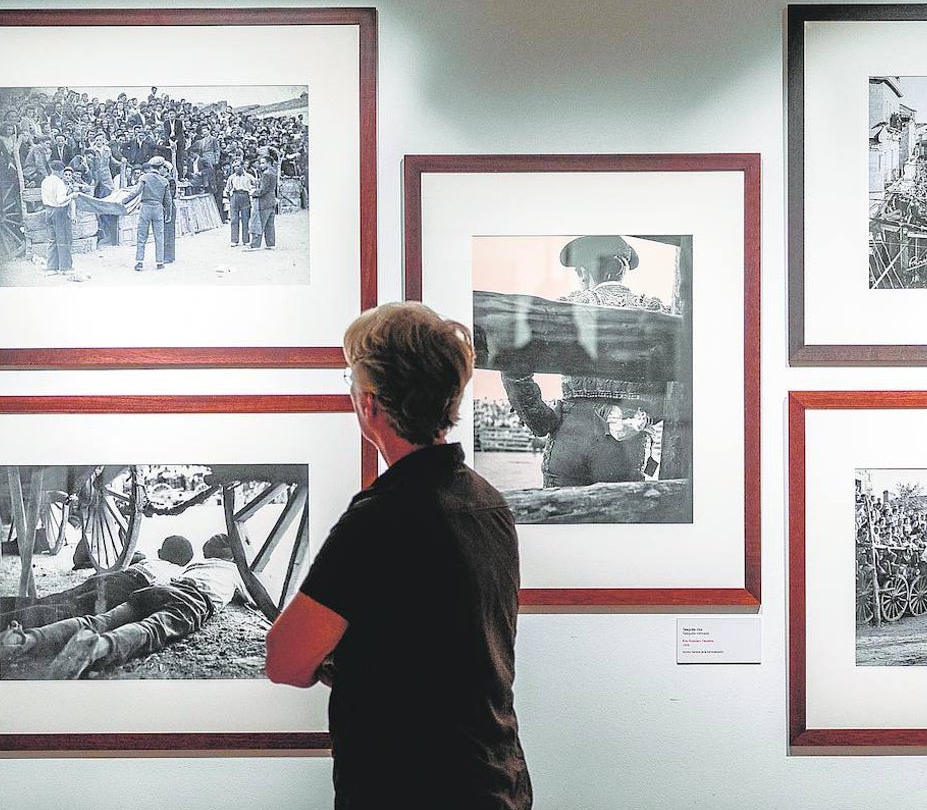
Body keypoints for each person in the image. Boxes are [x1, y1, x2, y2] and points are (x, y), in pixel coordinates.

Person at [266, 302, 532, 810]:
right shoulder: (486, 502)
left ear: (369, 403)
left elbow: (285, 659)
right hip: (495, 781)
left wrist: (338, 659)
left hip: (409, 787)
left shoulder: (381, 517)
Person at [500, 235, 675, 487]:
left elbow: (513, 360)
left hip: (570, 433)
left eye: (580, 271)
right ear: (621, 270)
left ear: (584, 271)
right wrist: (645, 415)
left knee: (558, 517)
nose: (580, 278)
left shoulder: (566, 306)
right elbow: (675, 380)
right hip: (626, 443)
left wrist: (541, 419)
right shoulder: (655, 310)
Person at [0, 534, 249, 680]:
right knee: (151, 630)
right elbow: (253, 597)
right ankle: (98, 647)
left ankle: (26, 639)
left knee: (97, 621)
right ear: (235, 556)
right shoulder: (238, 572)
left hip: (156, 589)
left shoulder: (194, 567)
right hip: (193, 600)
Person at [0, 535, 193, 629]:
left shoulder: (149, 560)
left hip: (110, 577)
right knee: (62, 612)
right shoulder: (176, 574)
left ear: (160, 553)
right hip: (127, 588)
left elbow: (129, 557)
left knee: (51, 600)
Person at [133, 155, 171, 271]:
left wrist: (123, 201)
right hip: (158, 208)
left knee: (141, 235)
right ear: (160, 167)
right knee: (159, 236)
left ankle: (139, 262)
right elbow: (168, 200)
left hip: (146, 207)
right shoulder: (164, 180)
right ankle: (159, 262)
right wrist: (168, 214)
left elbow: (136, 192)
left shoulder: (144, 177)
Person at [40, 160, 78, 274]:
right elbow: (60, 200)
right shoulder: (59, 183)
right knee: (63, 239)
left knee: (52, 240)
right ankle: (65, 268)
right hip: (59, 211)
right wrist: (72, 195)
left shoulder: (45, 181)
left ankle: (52, 267)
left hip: (48, 210)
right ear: (60, 171)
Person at [248, 153, 278, 250]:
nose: (261, 165)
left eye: (263, 163)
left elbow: (263, 190)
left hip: (264, 202)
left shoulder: (266, 174)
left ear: (269, 163)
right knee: (270, 225)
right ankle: (271, 244)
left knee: (259, 222)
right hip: (271, 201)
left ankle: (255, 245)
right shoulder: (274, 172)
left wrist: (253, 192)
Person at [224, 160, 255, 247]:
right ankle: (234, 240)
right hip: (235, 195)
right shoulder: (231, 177)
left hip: (245, 196)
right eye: (234, 167)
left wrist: (251, 196)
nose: (236, 168)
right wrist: (230, 199)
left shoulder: (249, 177)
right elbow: (227, 189)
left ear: (242, 166)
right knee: (234, 219)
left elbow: (255, 186)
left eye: (238, 166)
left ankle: (246, 240)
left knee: (245, 219)